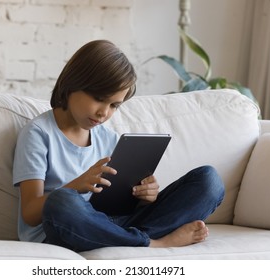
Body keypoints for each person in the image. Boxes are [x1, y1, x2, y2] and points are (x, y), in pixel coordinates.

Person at [13, 39, 225, 252]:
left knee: (209, 181)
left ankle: (126, 239)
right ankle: (154, 243)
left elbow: (119, 207)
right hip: (63, 230)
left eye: (114, 105)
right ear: (72, 84)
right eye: (99, 99)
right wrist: (76, 185)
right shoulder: (38, 133)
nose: (104, 112)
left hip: (112, 225)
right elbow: (30, 214)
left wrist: (145, 197)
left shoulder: (110, 139)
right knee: (62, 201)